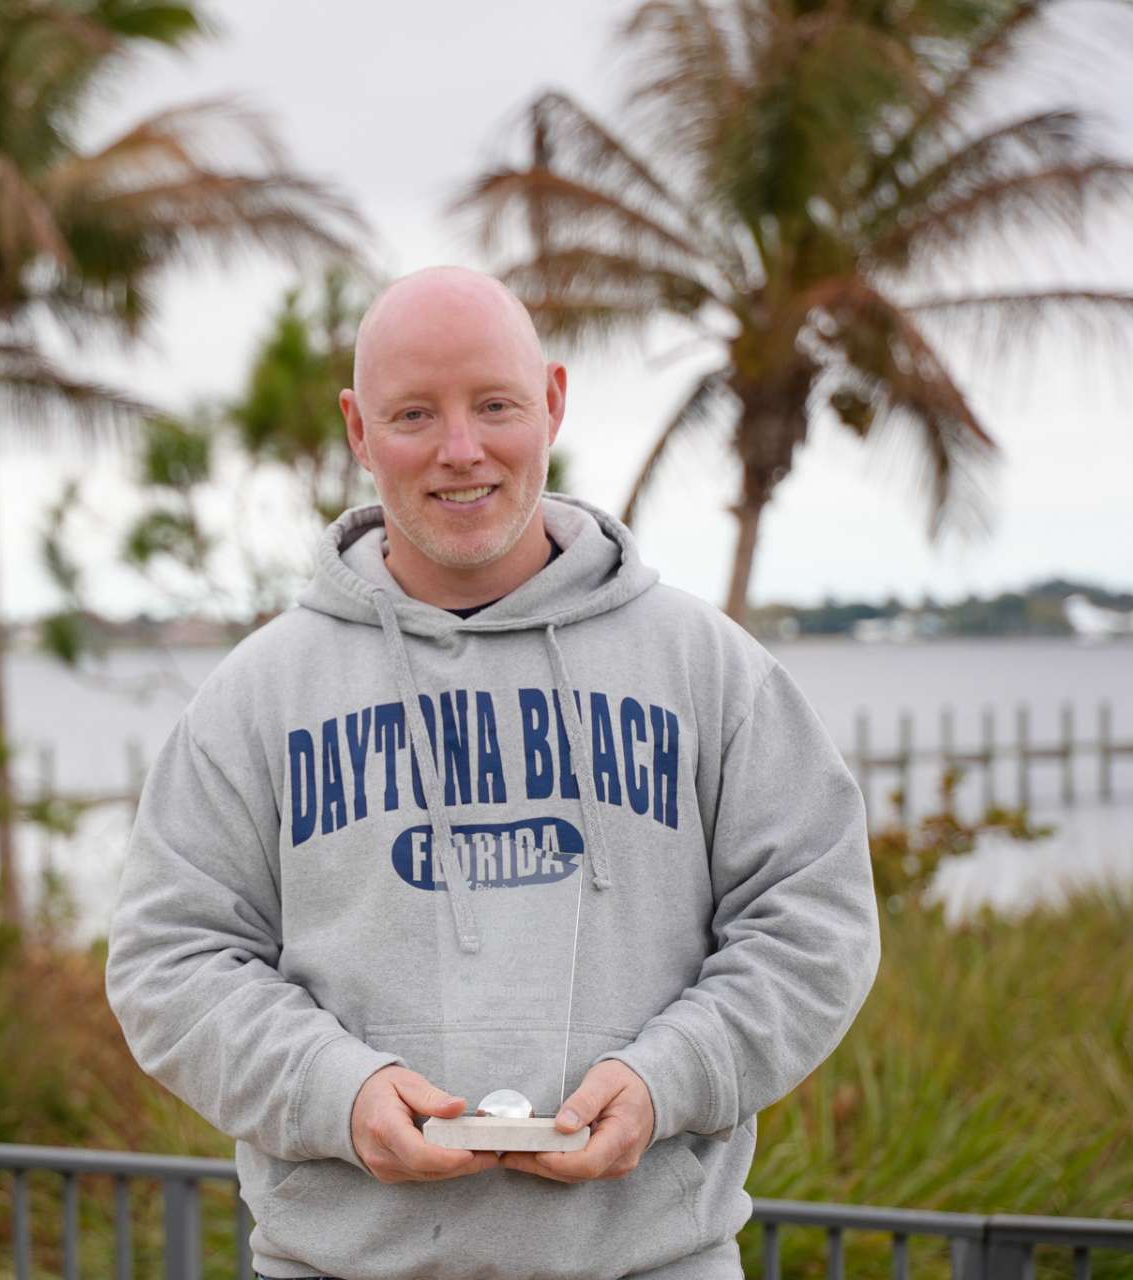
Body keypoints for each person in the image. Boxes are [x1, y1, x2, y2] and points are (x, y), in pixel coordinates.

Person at [103, 266, 881, 1280]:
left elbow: (814, 918)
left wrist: (667, 1076)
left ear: (553, 401)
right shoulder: (257, 696)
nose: (460, 449)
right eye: (414, 412)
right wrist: (337, 1090)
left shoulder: (707, 667)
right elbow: (171, 961)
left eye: (496, 405)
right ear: (357, 426)